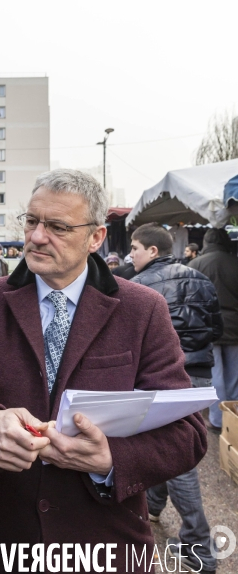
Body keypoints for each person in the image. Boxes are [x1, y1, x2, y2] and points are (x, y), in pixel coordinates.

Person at [0, 169, 206, 574]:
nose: (37, 237)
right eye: (32, 221)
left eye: (57, 226)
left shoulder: (142, 309)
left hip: (106, 543)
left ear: (95, 238)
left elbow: (189, 433)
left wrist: (112, 459)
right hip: (5, 540)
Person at [130, 222, 222, 574]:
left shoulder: (138, 286)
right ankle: (153, 504)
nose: (131, 254)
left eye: (135, 248)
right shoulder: (200, 277)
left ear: (153, 251)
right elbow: (215, 327)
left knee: (178, 458)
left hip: (165, 380)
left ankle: (200, 546)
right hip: (199, 374)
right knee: (166, 444)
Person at [190, 228, 238, 430]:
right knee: (236, 375)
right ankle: (235, 416)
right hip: (235, 326)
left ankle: (218, 421)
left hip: (207, 326)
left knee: (215, 376)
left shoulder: (195, 265)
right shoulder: (235, 262)